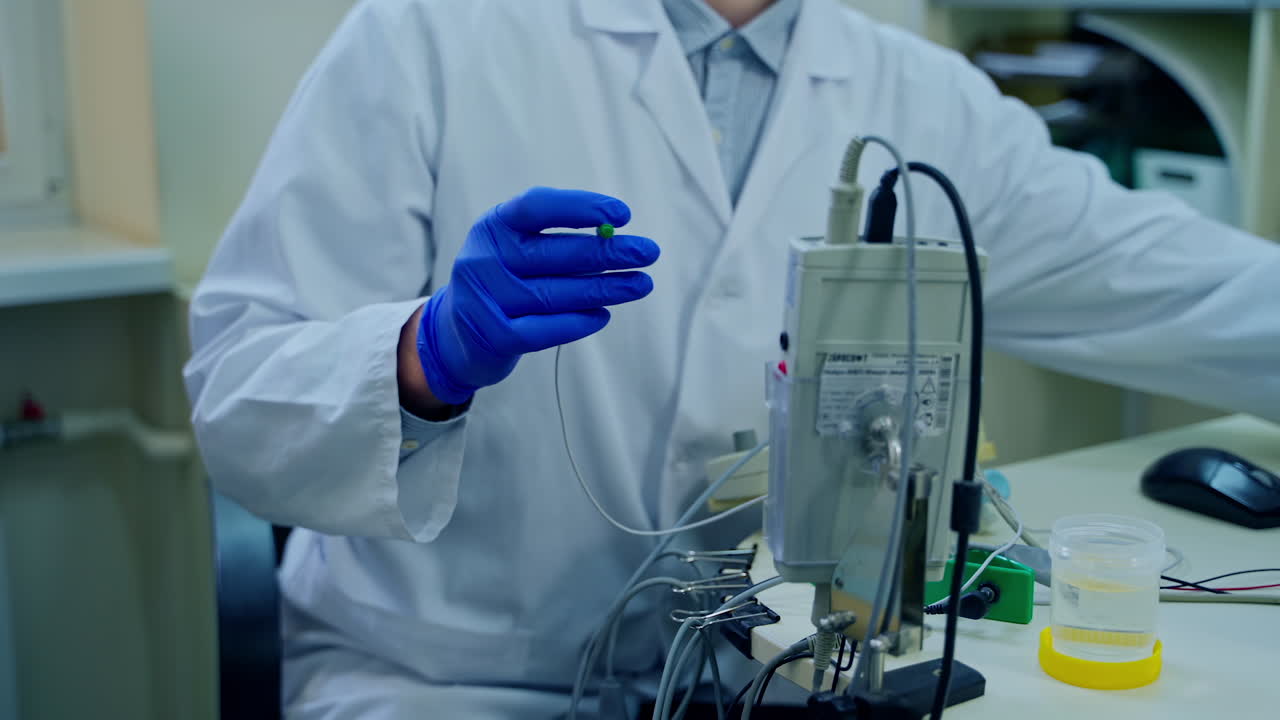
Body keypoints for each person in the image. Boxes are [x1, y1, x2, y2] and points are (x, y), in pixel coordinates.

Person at [183, 0, 1280, 717]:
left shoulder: (921, 96)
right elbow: (237, 400)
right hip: (445, 680)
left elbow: (1184, 284)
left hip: (769, 680)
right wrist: (423, 356)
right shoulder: (425, 35)